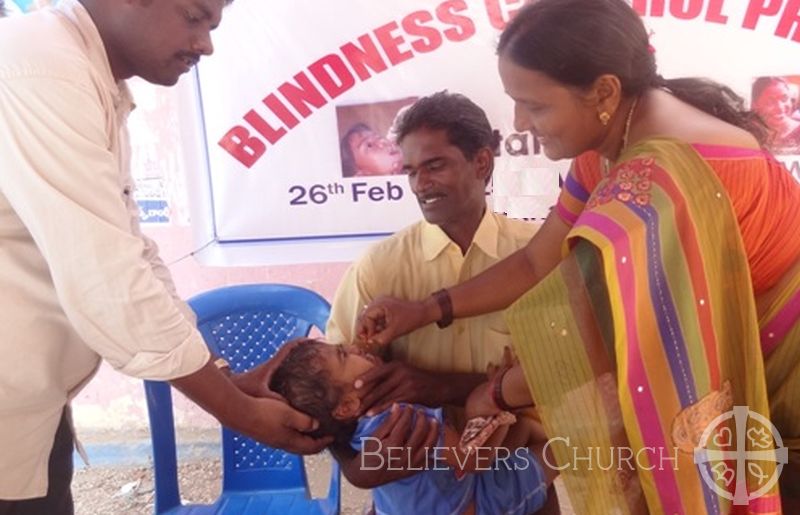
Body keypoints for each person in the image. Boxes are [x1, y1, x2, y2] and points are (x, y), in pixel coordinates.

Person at [357, 0, 800, 513]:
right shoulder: (612, 144)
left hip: (782, 382)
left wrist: (495, 392)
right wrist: (428, 309)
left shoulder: (657, 179)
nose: (520, 122)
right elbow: (534, 262)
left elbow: (609, 343)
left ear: (604, 91)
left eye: (536, 106)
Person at [0, 1, 331, 511]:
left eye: (213, 25)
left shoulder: (89, 77)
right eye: (194, 16)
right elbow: (107, 277)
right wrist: (237, 412)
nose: (206, 44)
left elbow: (134, 253)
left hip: (32, 405)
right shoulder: (42, 66)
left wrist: (222, 377)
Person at [326, 91, 562, 511]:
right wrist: (354, 468)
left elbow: (571, 381)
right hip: (418, 497)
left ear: (482, 163)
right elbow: (328, 396)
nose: (421, 184)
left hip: (520, 489)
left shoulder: (537, 257)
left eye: (435, 166)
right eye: (412, 171)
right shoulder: (378, 269)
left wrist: (440, 387)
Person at [270, 338, 553, 515]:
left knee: (525, 431)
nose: (355, 347)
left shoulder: (360, 430)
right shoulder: (401, 421)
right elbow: (472, 459)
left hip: (411, 504)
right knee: (556, 453)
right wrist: (494, 408)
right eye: (344, 354)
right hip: (472, 504)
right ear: (346, 406)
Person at [751, 76, 800, 154]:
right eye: (770, 101)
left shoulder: (798, 131)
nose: (780, 108)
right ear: (755, 105)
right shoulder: (750, 134)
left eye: (784, 99)